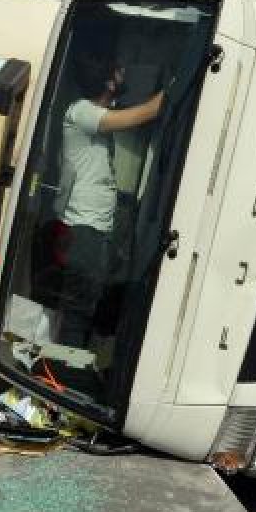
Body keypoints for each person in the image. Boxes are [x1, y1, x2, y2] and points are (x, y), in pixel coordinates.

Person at [56, 58, 164, 346]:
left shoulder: (94, 113)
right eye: (119, 71)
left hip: (95, 229)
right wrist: (177, 85)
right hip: (83, 229)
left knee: (91, 307)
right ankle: (62, 366)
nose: (124, 73)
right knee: (78, 313)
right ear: (109, 82)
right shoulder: (82, 112)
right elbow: (146, 112)